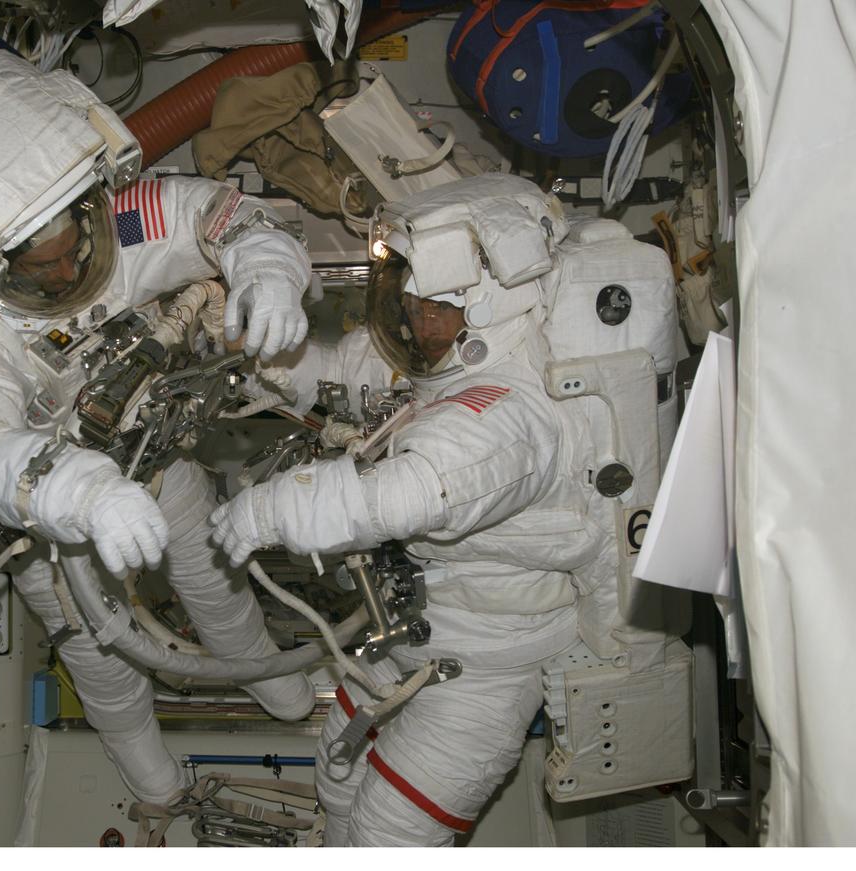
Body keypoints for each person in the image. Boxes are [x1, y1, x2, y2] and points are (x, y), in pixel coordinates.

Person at [0, 49, 316, 805]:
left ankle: (263, 669)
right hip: (46, 506)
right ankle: (142, 757)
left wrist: (267, 264)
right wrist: (74, 486)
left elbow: (216, 214)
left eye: (76, 245)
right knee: (98, 641)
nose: (69, 272)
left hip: (139, 435)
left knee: (208, 562)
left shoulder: (101, 221)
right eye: (41, 269)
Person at [211, 174, 685, 845]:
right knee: (336, 781)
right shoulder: (445, 357)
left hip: (484, 667)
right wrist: (271, 366)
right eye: (404, 294)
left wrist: (272, 512)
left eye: (432, 304)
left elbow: (416, 490)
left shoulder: (512, 413)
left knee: (388, 834)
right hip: (410, 629)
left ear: (488, 306)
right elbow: (354, 375)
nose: (413, 317)